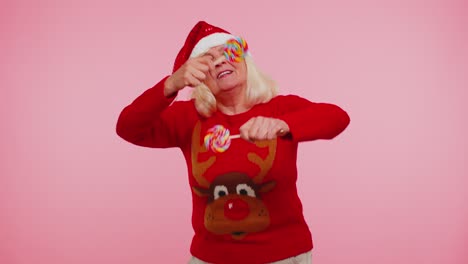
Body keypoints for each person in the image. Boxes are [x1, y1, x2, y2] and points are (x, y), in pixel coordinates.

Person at [116, 21, 350, 264]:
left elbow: (337, 117)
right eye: (207, 60)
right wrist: (170, 84)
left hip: (284, 255)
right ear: (196, 76)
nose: (219, 61)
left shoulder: (282, 108)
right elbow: (127, 128)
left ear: (245, 60)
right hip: (210, 258)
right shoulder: (188, 118)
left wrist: (284, 125)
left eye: (229, 51)